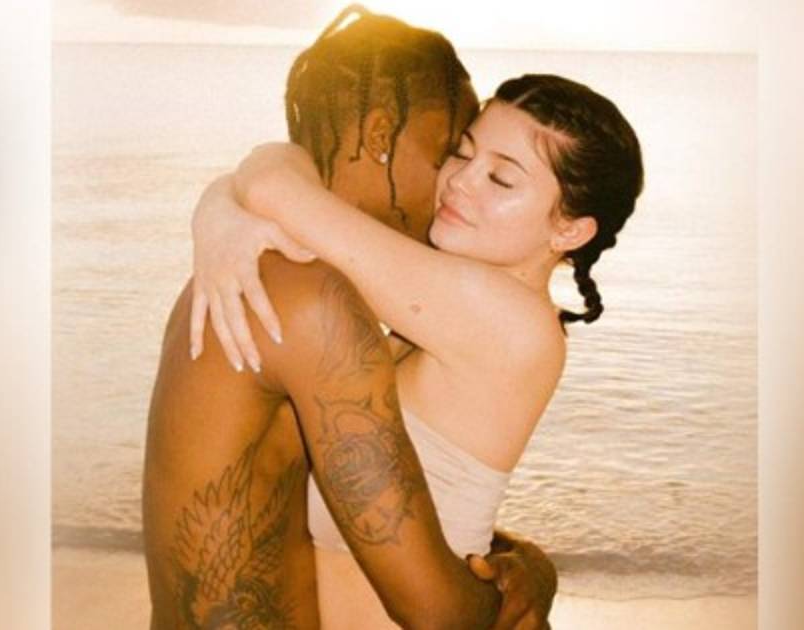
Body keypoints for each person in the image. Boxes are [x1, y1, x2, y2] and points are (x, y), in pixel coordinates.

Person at [144, 7, 555, 630]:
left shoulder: (260, 265)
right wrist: (530, 586)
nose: (452, 184)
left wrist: (521, 556)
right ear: (381, 133)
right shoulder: (314, 301)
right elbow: (438, 614)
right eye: (449, 150)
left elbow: (343, 505)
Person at [190, 71, 644, 629]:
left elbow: (271, 185)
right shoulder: (458, 311)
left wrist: (216, 213)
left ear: (570, 232)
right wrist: (221, 207)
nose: (460, 181)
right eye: (462, 153)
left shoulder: (506, 320)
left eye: (501, 179)